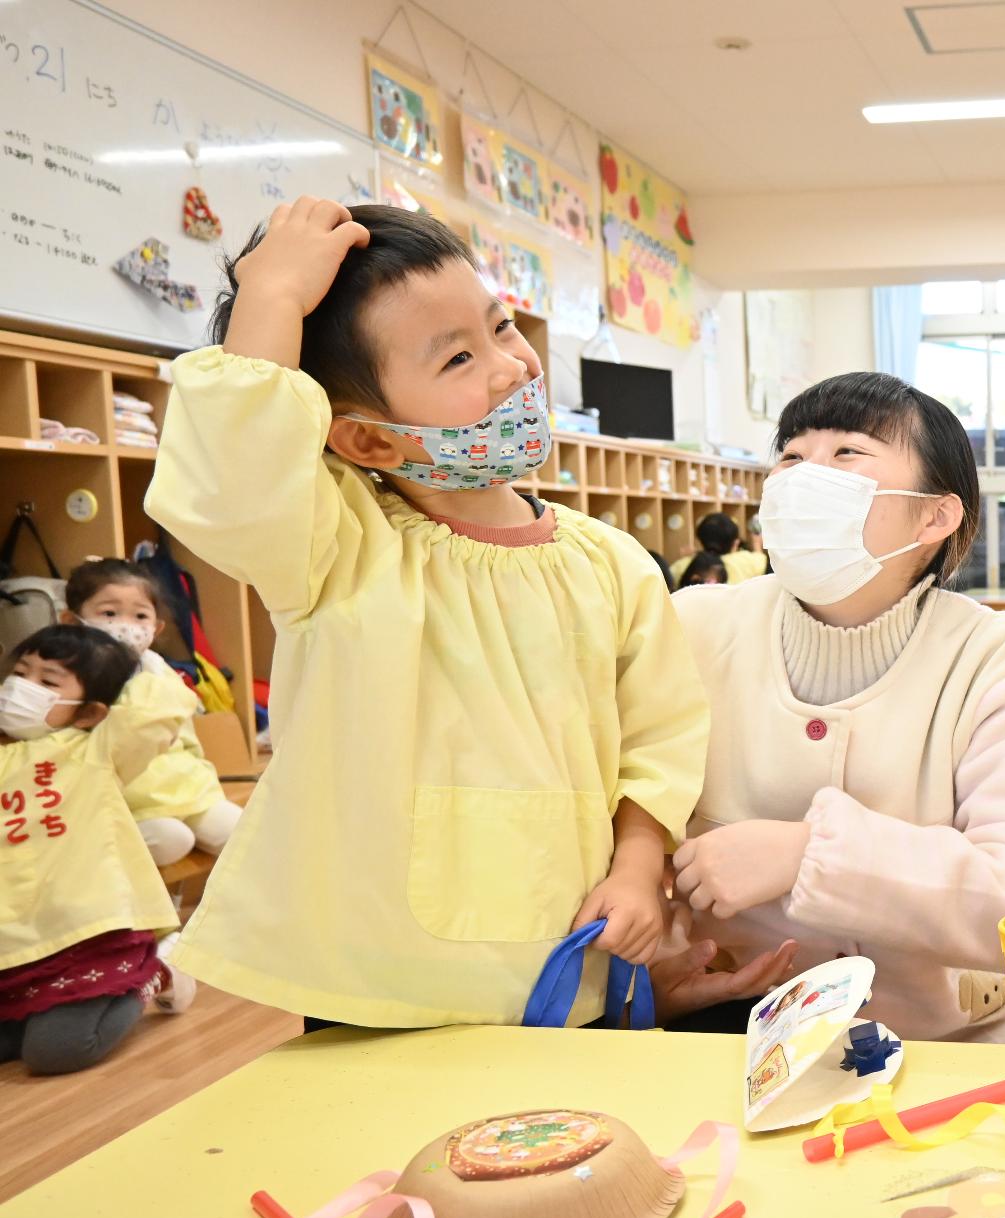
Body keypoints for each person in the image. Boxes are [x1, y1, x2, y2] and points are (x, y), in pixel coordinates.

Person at [144, 198, 708, 1028]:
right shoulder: (335, 550)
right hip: (378, 987)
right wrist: (269, 301)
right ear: (368, 441)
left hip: (569, 962)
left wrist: (636, 866)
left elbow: (659, 737)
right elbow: (237, 478)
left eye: (502, 327)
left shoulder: (613, 564)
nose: (512, 368)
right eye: (456, 360)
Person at [650, 371, 1005, 1040]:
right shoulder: (692, 625)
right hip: (716, 1031)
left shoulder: (997, 657)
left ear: (935, 515)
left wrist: (810, 853)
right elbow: (624, 826)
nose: (804, 476)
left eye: (847, 453)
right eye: (792, 456)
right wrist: (652, 971)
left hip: (928, 1045)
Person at [0, 626, 198, 1074]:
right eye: (20, 673)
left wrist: (143, 658)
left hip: (91, 930)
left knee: (57, 1052)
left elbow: (159, 710)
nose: (22, 688)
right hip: (16, 941)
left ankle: (154, 972)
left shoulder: (93, 749)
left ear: (89, 712)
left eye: (48, 682)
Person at [61, 559, 240, 868]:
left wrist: (201, 777)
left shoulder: (161, 671)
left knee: (246, 834)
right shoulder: (67, 675)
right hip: (125, 800)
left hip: (187, 789)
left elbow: (186, 738)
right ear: (71, 620)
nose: (126, 625)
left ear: (156, 628)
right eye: (109, 613)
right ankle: (146, 907)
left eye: (140, 615)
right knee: (171, 840)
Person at [668, 513, 767, 586]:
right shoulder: (748, 560)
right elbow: (761, 559)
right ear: (735, 543)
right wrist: (757, 544)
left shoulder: (681, 566)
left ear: (700, 539)